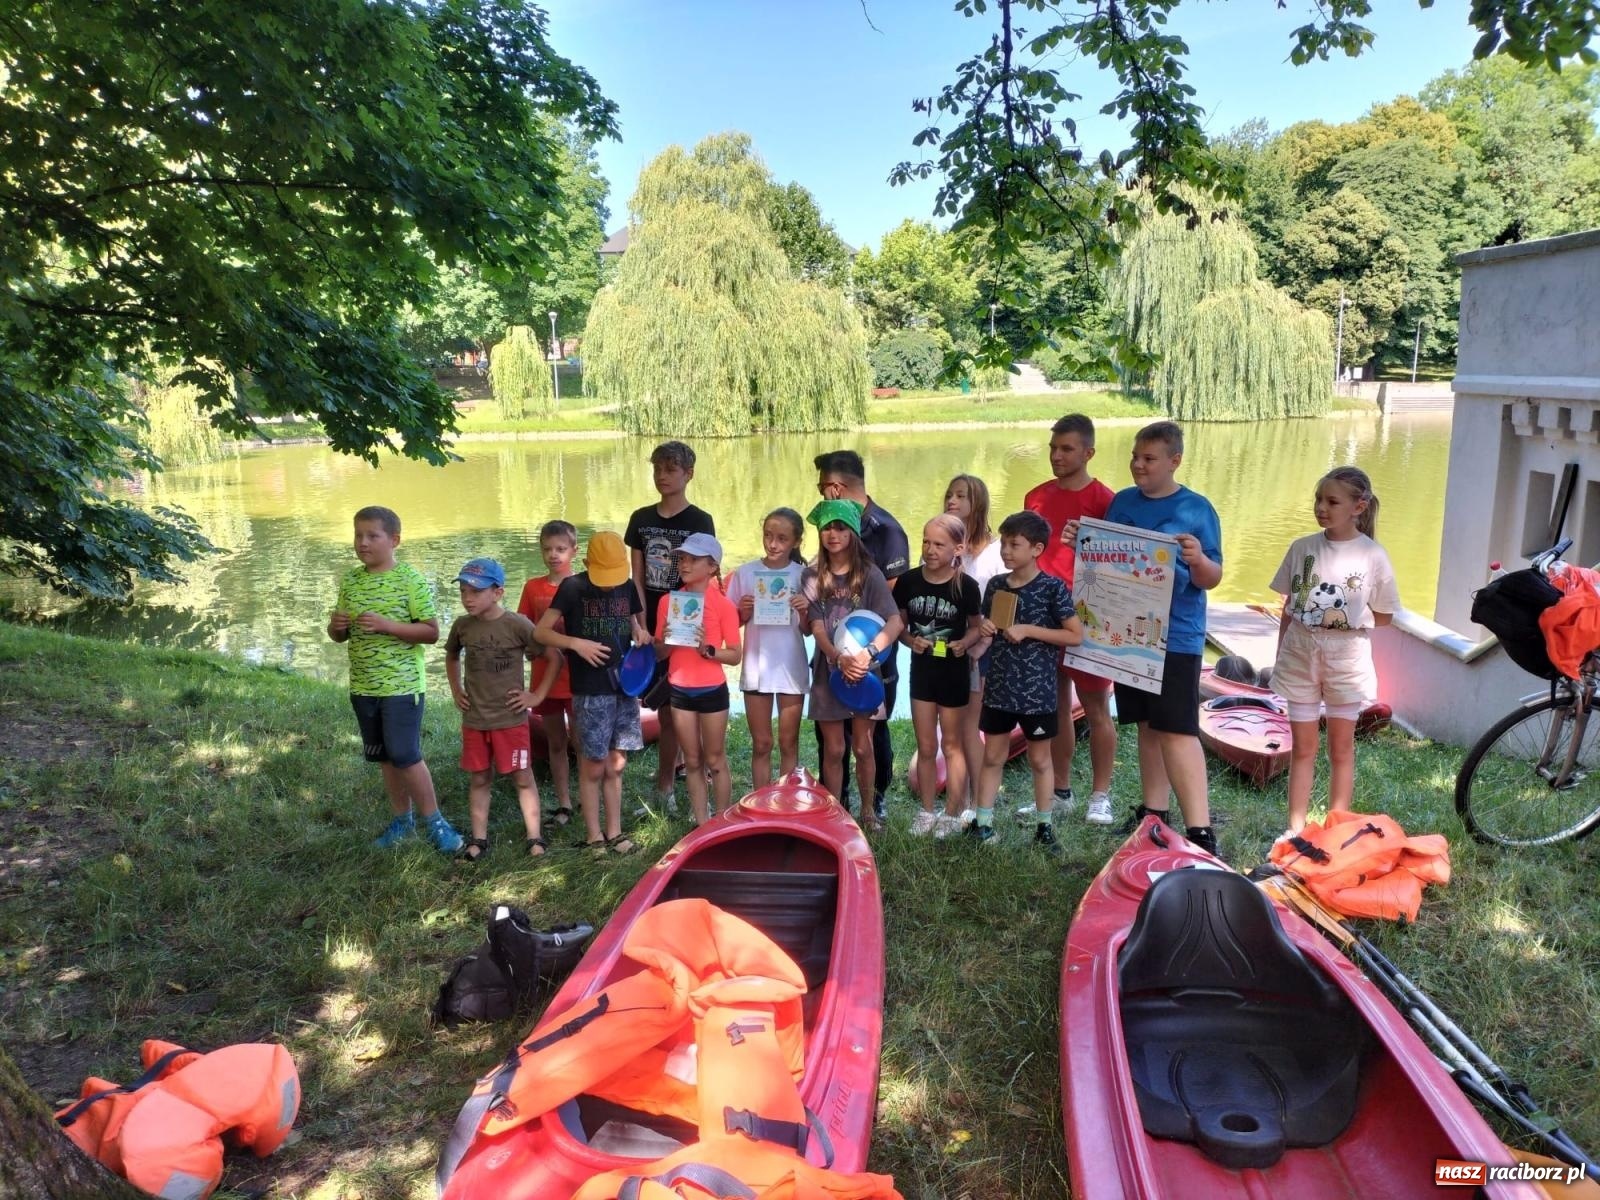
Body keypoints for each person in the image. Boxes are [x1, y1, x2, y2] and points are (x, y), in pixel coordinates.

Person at [1105, 421, 1224, 857]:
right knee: (1147, 725)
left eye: (1149, 458)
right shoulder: (1121, 503)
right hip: (1128, 633)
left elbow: (1211, 577)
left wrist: (1196, 560)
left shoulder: (1197, 510)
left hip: (1177, 636)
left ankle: (1200, 830)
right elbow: (1103, 561)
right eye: (1135, 456)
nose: (1139, 464)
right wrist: (1082, 542)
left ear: (1175, 460)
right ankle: (1154, 815)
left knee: (1177, 728)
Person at [1269, 466, 1398, 839]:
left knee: (1341, 749)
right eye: (1318, 500)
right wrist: (1280, 655)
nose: (1321, 508)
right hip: (1299, 653)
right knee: (1303, 748)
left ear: (1358, 507)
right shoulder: (1301, 548)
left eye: (1332, 501)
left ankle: (1337, 831)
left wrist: (1343, 621)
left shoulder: (1373, 556)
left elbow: (1385, 615)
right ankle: (1294, 830)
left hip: (1346, 658)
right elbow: (1289, 606)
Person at [326, 506, 462, 852]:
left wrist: (388, 626)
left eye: (373, 535)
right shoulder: (351, 581)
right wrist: (336, 628)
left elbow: (431, 632)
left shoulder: (410, 580)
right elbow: (339, 636)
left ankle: (436, 823)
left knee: (406, 754)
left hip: (402, 687)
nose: (363, 542)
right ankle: (402, 820)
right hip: (364, 687)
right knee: (385, 757)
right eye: (358, 535)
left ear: (394, 540)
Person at [1023, 413, 1119, 825]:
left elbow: (1121, 564)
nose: (1056, 456)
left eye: (1066, 449)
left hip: (1089, 618)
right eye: (1053, 448)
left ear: (1088, 452)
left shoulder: (1107, 501)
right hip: (1044, 617)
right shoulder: (1035, 498)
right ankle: (1060, 790)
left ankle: (1101, 795)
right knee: (1055, 704)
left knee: (1096, 708)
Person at [970, 511, 1084, 850]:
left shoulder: (1052, 589)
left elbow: (1075, 636)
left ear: (1036, 549)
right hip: (1000, 688)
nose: (1006, 551)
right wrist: (985, 629)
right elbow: (988, 629)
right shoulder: (996, 585)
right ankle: (983, 823)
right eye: (1003, 543)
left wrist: (1030, 631)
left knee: (1039, 759)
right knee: (993, 756)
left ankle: (1044, 827)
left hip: (1038, 694)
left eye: (1014, 544)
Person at [534, 531, 648, 855]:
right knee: (592, 764)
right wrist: (575, 643)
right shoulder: (573, 587)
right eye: (604, 576)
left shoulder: (627, 584)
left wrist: (639, 632)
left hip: (624, 686)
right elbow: (541, 631)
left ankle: (615, 832)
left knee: (617, 762)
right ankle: (593, 835)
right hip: (590, 689)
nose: (610, 584)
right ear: (586, 563)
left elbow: (635, 623)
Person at [814, 451, 909, 823]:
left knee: (871, 738)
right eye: (828, 528)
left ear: (835, 487)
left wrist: (864, 652)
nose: (834, 532)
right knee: (833, 745)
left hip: (872, 659)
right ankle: (836, 806)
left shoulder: (886, 530)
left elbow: (887, 605)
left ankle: (875, 802)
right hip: (834, 664)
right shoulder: (819, 564)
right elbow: (817, 616)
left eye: (823, 489)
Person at [626, 441, 716, 814]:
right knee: (661, 706)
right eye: (657, 469)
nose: (662, 476)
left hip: (684, 622)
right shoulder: (640, 518)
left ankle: (674, 782)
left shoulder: (700, 521)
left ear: (688, 474)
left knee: (676, 706)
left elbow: (702, 577)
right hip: (651, 625)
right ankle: (666, 784)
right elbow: (636, 575)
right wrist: (640, 622)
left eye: (670, 470)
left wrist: (681, 626)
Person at [444, 558, 550, 861]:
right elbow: (451, 656)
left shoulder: (517, 624)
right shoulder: (462, 626)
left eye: (475, 591)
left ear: (498, 592)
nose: (467, 598)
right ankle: (479, 839)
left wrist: (536, 695)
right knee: (479, 777)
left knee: (522, 776)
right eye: (463, 591)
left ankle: (534, 837)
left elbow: (550, 657)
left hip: (511, 720)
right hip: (475, 720)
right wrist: (456, 690)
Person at [895, 514, 983, 836]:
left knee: (953, 745)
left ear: (957, 548)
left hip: (954, 674)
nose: (930, 550)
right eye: (926, 542)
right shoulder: (908, 582)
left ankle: (952, 811)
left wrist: (964, 643)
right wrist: (909, 640)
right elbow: (900, 626)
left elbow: (977, 627)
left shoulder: (966, 587)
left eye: (939, 544)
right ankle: (927, 810)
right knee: (927, 745)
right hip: (922, 673)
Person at [653, 533, 742, 823]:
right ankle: (703, 823)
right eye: (683, 558)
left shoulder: (724, 605)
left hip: (712, 690)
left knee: (715, 760)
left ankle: (721, 820)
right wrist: (665, 638)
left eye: (693, 559)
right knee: (692, 760)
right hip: (679, 690)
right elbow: (660, 653)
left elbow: (735, 655)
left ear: (712, 566)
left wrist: (710, 651)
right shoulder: (669, 602)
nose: (685, 564)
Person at [726, 508, 811, 788]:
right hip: (756, 667)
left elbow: (810, 630)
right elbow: (731, 624)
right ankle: (761, 802)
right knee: (762, 743)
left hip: (790, 666)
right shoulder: (746, 573)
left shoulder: (803, 576)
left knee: (789, 743)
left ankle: (787, 804)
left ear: (796, 542)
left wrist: (805, 611)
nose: (773, 544)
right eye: (768, 536)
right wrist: (742, 612)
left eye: (782, 539)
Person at [945, 474, 1001, 821]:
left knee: (969, 727)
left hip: (982, 651)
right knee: (954, 728)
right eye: (949, 495)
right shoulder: (949, 550)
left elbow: (1007, 602)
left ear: (976, 503)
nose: (952, 501)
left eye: (961, 496)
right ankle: (962, 800)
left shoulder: (996, 553)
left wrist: (984, 641)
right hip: (953, 649)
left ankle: (981, 805)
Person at [516, 520, 578, 827]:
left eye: (561, 549)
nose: (554, 555)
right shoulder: (532, 587)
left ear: (574, 551)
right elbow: (523, 628)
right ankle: (564, 802)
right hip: (544, 679)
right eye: (547, 549)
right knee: (556, 742)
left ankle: (588, 796)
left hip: (578, 679)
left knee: (581, 741)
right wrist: (529, 649)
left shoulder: (582, 585)